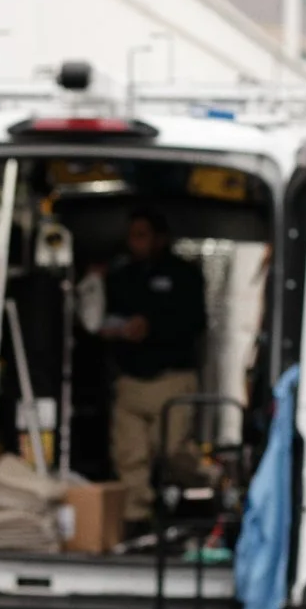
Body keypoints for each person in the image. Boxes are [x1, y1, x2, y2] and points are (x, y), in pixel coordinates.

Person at [97, 207, 208, 524]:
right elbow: (99, 317)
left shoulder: (184, 275)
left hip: (172, 377)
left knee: (173, 451)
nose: (135, 242)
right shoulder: (120, 275)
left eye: (142, 235)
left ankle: (210, 483)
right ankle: (137, 523)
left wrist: (152, 326)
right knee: (129, 456)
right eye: (131, 236)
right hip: (130, 379)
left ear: (161, 238)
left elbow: (196, 323)